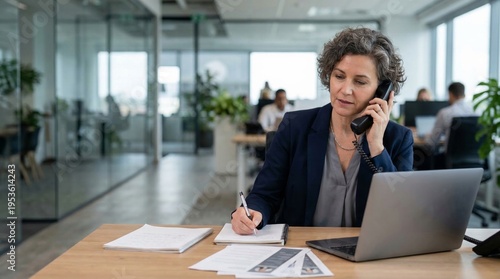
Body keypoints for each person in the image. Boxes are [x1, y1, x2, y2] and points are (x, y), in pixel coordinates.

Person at [231, 27, 413, 234]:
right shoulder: (295, 127)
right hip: (301, 252)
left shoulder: (398, 138)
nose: (345, 89)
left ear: (383, 91)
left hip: (366, 256)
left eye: (360, 81)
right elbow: (264, 194)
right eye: (339, 76)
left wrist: (376, 147)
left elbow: (399, 213)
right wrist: (252, 212)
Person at [425, 82, 476, 168]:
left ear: (450, 94)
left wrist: (426, 138)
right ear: (464, 94)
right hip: (475, 162)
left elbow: (432, 142)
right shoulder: (477, 112)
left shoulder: (445, 113)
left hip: (451, 163)